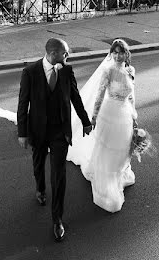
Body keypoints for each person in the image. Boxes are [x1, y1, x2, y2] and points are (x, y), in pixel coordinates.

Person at [17, 37, 92, 243]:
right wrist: (22, 133)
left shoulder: (67, 71)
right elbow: (23, 104)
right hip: (38, 131)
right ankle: (40, 188)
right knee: (38, 165)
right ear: (52, 53)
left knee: (59, 175)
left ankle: (57, 219)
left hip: (60, 132)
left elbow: (75, 97)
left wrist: (86, 121)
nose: (67, 56)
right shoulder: (30, 73)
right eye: (64, 53)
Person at [68, 39, 139, 212]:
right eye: (114, 52)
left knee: (122, 148)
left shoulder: (131, 70)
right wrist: (93, 118)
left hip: (125, 115)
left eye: (120, 52)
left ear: (126, 54)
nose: (117, 55)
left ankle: (119, 174)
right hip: (109, 114)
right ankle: (106, 184)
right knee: (108, 148)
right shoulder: (108, 71)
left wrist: (134, 115)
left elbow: (132, 95)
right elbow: (100, 95)